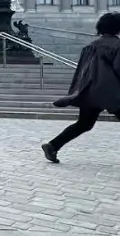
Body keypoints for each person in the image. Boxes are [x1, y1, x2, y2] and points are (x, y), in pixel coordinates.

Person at [42, 11, 120, 163]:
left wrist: (76, 91)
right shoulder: (117, 45)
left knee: (84, 124)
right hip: (111, 92)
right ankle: (52, 146)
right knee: (85, 124)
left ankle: (53, 145)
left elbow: (81, 70)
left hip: (89, 90)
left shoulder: (90, 46)